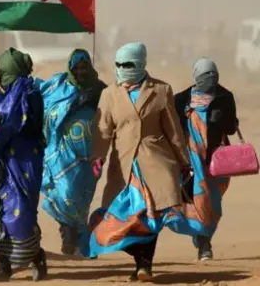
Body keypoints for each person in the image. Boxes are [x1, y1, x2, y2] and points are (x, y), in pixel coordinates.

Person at [82, 42, 200, 282]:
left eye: (128, 64)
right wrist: (98, 156)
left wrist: (184, 161)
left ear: (140, 64)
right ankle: (138, 255)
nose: (123, 69)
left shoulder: (161, 90)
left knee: (150, 217)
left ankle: (145, 265)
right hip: (123, 165)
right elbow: (103, 129)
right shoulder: (109, 94)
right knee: (115, 221)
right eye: (119, 64)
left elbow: (173, 129)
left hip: (155, 162)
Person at [0, 48, 47, 282]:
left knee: (23, 214)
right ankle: (4, 266)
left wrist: (6, 125)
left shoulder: (31, 93)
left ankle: (37, 257)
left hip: (24, 162)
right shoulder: (1, 97)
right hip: (0, 164)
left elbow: (33, 127)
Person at [35, 49, 107, 255]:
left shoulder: (100, 88)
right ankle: (67, 235)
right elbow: (48, 108)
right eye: (77, 67)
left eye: (85, 67)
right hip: (62, 150)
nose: (81, 71)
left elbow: (112, 111)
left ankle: (77, 238)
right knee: (66, 192)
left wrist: (95, 99)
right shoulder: (60, 86)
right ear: (71, 68)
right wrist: (75, 103)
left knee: (82, 197)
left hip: (90, 154)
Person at [174, 58, 238, 261]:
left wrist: (222, 119)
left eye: (214, 75)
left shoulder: (225, 97)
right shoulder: (182, 98)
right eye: (206, 76)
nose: (211, 79)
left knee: (214, 203)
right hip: (190, 159)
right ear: (197, 78)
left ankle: (202, 234)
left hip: (216, 159)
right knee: (196, 199)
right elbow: (173, 127)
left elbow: (231, 128)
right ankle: (204, 244)